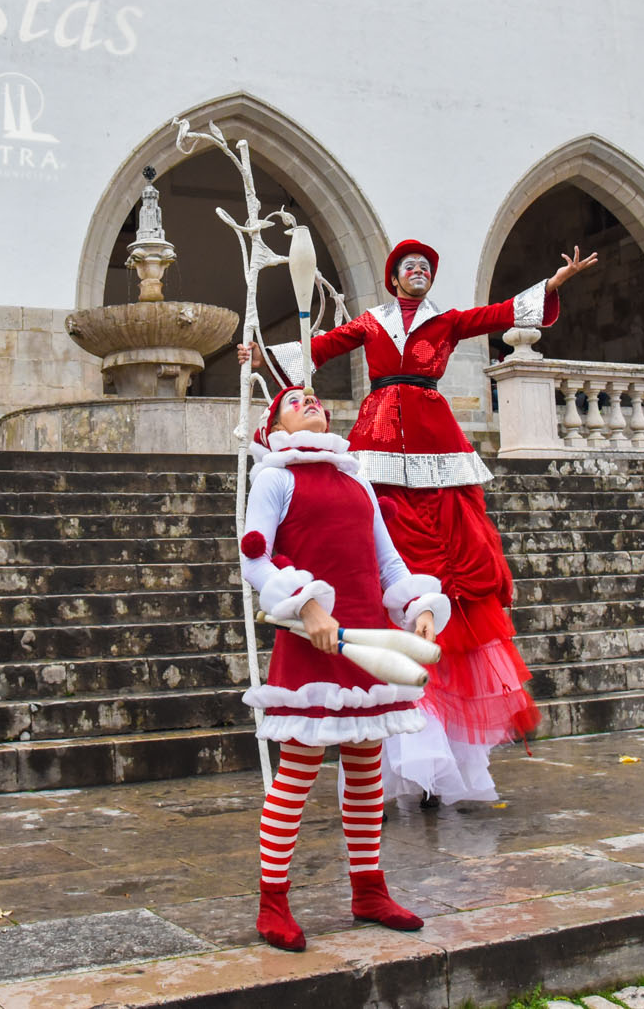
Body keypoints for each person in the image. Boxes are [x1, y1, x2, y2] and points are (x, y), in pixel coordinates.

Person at [241, 240, 595, 806]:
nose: (419, 273)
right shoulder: (371, 322)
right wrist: (261, 358)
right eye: (411, 267)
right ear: (393, 278)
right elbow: (320, 348)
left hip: (436, 440)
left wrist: (551, 286)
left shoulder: (447, 322)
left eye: (427, 268)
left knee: (452, 547)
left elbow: (497, 314)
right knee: (377, 531)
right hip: (379, 436)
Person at [239, 384, 451, 953]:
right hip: (311, 640)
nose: (309, 400)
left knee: (366, 771)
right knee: (298, 775)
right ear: (275, 422)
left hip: (364, 641)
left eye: (313, 397)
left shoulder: (354, 477)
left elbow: (386, 560)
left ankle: (368, 890)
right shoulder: (275, 476)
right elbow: (254, 555)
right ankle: (273, 902)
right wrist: (306, 605)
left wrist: (417, 609)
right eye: (293, 400)